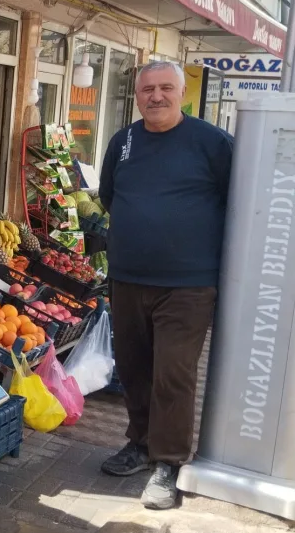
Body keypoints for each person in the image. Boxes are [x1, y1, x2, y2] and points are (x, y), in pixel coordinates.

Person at [96, 60, 233, 510]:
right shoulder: (124, 141)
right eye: (147, 89)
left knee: (173, 372)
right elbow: (110, 195)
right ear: (137, 95)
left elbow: (239, 202)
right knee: (133, 365)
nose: (156, 97)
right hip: (128, 276)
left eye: (165, 88)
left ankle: (168, 463)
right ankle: (139, 443)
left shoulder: (213, 143)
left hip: (188, 283)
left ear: (181, 93)